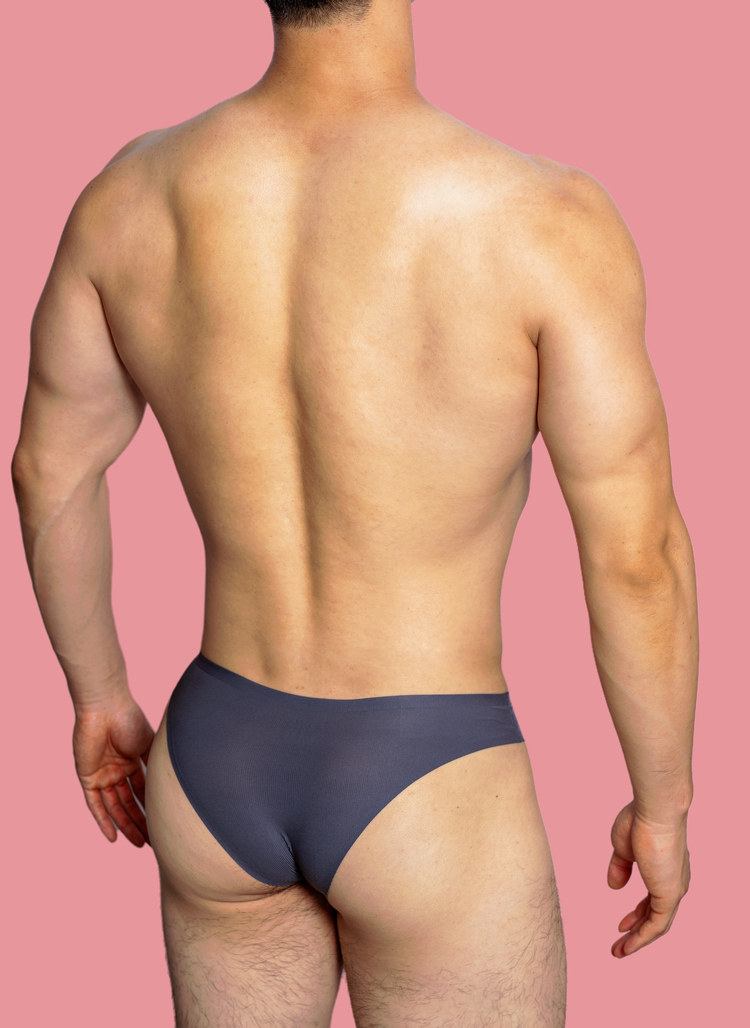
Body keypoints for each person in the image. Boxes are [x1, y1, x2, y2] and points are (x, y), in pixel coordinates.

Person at [11, 0, 698, 1023]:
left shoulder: (131, 193)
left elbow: (48, 471)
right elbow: (637, 554)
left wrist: (98, 693)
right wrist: (664, 798)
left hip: (214, 757)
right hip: (433, 776)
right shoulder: (543, 219)